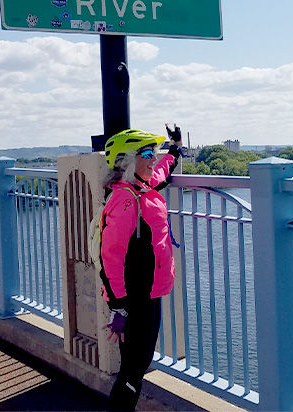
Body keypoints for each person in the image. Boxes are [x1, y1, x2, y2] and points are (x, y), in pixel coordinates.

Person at [99, 124, 182, 410]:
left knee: (138, 363)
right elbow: (110, 256)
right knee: (134, 369)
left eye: (154, 152)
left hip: (149, 292)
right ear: (127, 162)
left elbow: (160, 173)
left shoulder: (140, 188)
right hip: (135, 298)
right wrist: (119, 304)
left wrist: (174, 149)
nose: (153, 158)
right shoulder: (125, 199)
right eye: (147, 153)